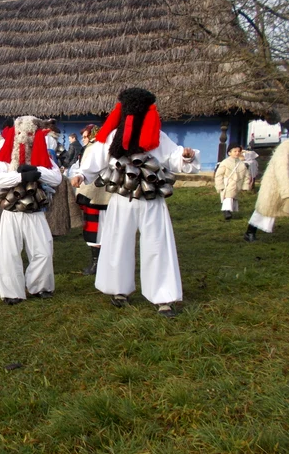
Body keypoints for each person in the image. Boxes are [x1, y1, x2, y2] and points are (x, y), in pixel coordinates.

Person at [71, 88, 200, 317]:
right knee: (118, 242)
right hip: (122, 197)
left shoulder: (157, 135)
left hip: (152, 198)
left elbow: (173, 157)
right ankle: (119, 290)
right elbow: (95, 160)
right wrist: (82, 174)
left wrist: (186, 156)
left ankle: (163, 297)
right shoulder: (112, 137)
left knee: (158, 244)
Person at [0, 116, 63, 304]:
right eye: (21, 133)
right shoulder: (6, 157)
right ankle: (12, 292)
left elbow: (56, 178)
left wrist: (37, 171)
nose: (25, 137)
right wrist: (21, 176)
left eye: (30, 133)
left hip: (35, 211)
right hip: (12, 211)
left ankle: (40, 286)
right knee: (9, 253)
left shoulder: (43, 157)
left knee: (43, 250)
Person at [244, 115, 289, 242]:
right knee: (266, 209)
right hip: (278, 184)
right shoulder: (287, 147)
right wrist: (286, 189)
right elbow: (282, 168)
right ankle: (250, 232)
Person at [71, 124, 112, 275]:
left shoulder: (95, 147)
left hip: (95, 196)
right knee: (103, 230)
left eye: (86, 136)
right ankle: (103, 264)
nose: (84, 139)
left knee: (96, 232)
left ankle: (98, 265)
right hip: (103, 196)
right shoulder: (98, 146)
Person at [214, 143, 251, 221]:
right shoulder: (225, 163)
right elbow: (219, 175)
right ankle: (227, 212)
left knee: (233, 198)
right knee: (228, 197)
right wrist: (220, 185)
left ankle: (229, 211)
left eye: (238, 151)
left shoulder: (242, 164)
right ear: (229, 153)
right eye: (235, 151)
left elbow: (246, 175)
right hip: (227, 184)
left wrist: (245, 186)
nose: (237, 153)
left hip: (237, 185)